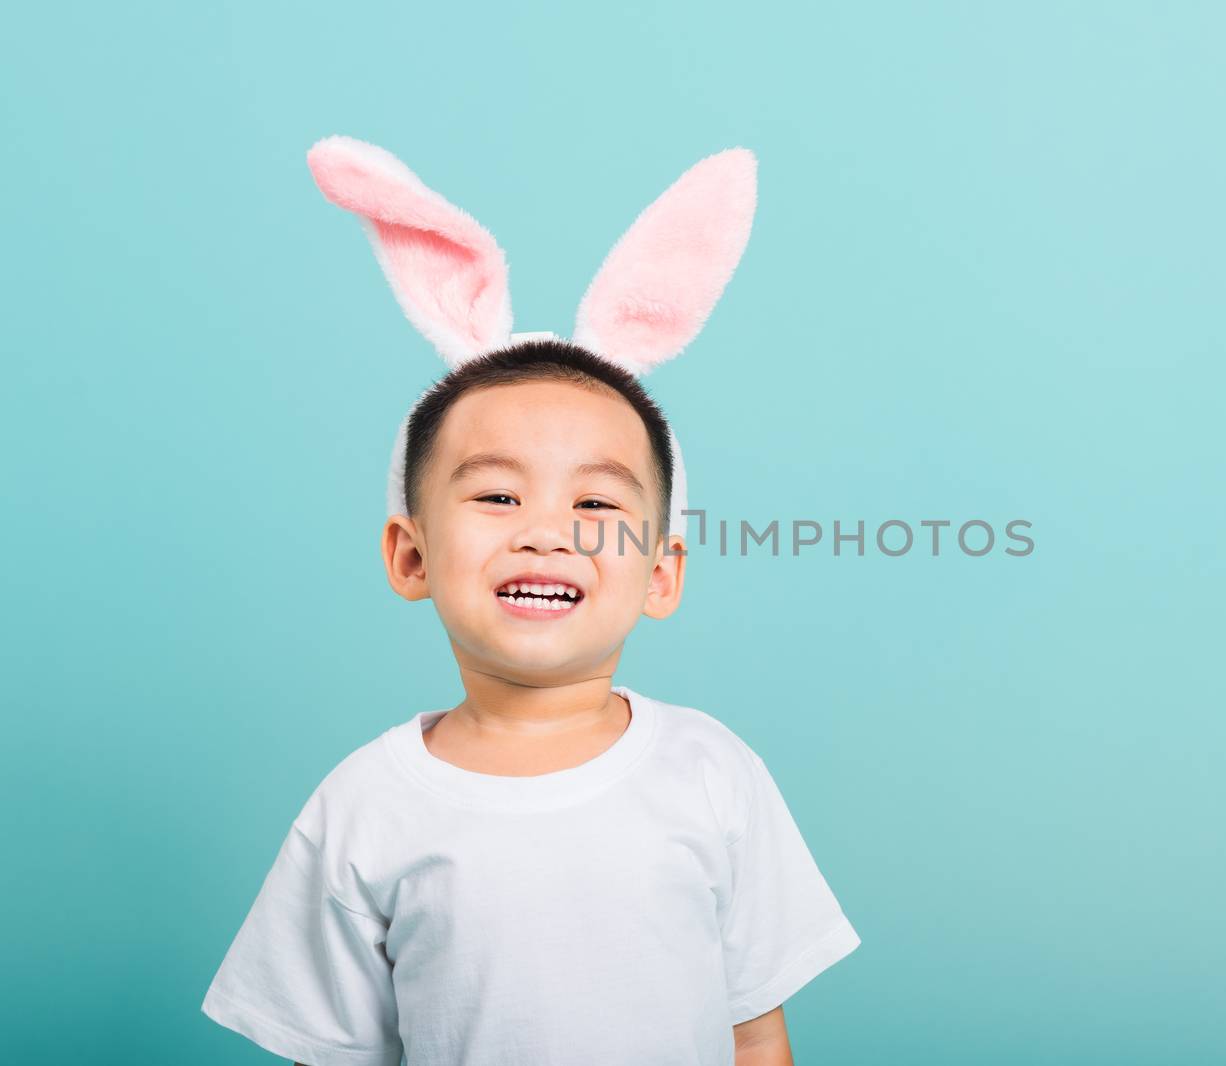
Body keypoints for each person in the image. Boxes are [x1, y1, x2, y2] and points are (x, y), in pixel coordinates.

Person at [199, 136, 861, 1066]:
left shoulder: (712, 773)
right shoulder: (364, 807)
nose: (548, 532)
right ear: (410, 553)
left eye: (595, 503)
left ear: (660, 573)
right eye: (498, 496)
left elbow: (755, 1031)